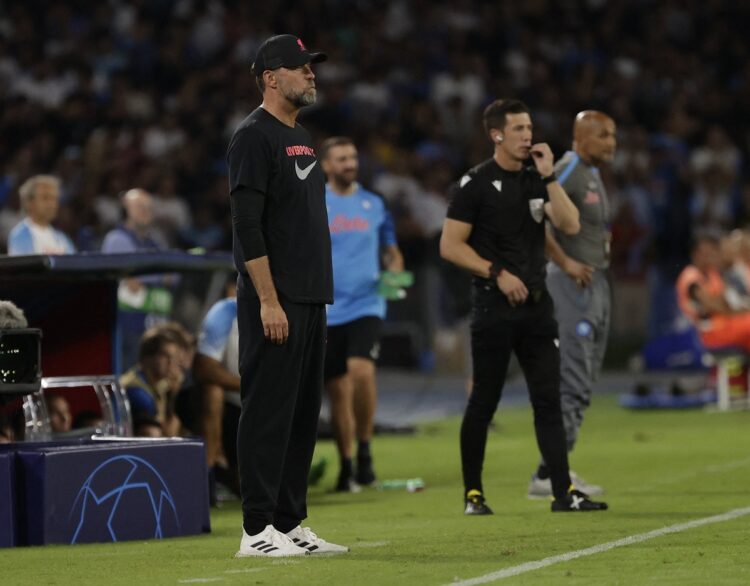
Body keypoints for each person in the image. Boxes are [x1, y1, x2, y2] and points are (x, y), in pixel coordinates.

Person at [439, 98, 608, 515]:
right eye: (518, 129)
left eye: (529, 127)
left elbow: (568, 225)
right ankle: (473, 494)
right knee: (484, 401)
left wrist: (550, 176)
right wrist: (497, 272)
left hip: (537, 308)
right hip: (493, 309)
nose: (528, 135)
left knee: (548, 401)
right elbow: (450, 246)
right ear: (496, 134)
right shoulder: (474, 184)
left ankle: (560, 492)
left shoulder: (537, 179)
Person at [227, 34, 347, 557]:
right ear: (271, 77)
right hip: (276, 301)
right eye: (301, 68)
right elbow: (247, 227)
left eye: (312, 67)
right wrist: (269, 300)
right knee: (268, 412)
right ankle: (256, 531)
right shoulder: (253, 137)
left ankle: (289, 521)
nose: (312, 75)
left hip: (311, 299)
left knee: (301, 416)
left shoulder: (300, 137)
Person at [527, 111, 617, 499]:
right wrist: (563, 262)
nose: (611, 142)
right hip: (569, 284)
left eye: (613, 134)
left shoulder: (592, 171)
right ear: (580, 137)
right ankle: (549, 474)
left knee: (586, 378)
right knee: (574, 379)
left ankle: (557, 467)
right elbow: (534, 213)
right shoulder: (567, 168)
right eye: (603, 135)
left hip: (594, 282)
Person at [320, 136, 405, 492]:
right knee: (337, 390)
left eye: (352, 157)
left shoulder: (374, 204)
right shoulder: (314, 203)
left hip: (367, 304)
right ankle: (348, 463)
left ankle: (367, 450)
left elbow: (391, 251)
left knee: (361, 369)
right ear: (326, 165)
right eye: (341, 158)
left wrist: (394, 272)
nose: (349, 163)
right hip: (325, 308)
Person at [101, 188, 173, 371]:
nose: (145, 210)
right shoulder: (117, 238)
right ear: (125, 208)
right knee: (128, 378)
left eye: (149, 206)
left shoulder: (155, 241)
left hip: (154, 324)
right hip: (127, 325)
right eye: (139, 206)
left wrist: (145, 275)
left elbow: (174, 276)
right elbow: (132, 280)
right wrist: (158, 275)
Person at [677, 235, 750, 352]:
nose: (710, 257)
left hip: (726, 324)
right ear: (695, 254)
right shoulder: (691, 277)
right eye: (706, 253)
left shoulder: (713, 273)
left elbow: (726, 302)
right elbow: (720, 307)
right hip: (707, 332)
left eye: (712, 252)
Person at [120, 325, 186, 437]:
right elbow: (168, 435)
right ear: (147, 357)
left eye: (174, 357)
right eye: (165, 356)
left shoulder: (161, 383)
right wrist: (175, 395)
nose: (171, 363)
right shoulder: (137, 392)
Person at [7, 175, 75, 255]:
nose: (51, 204)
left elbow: (75, 264)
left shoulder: (62, 238)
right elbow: (23, 266)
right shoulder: (20, 236)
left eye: (54, 199)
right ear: (29, 203)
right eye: (45, 198)